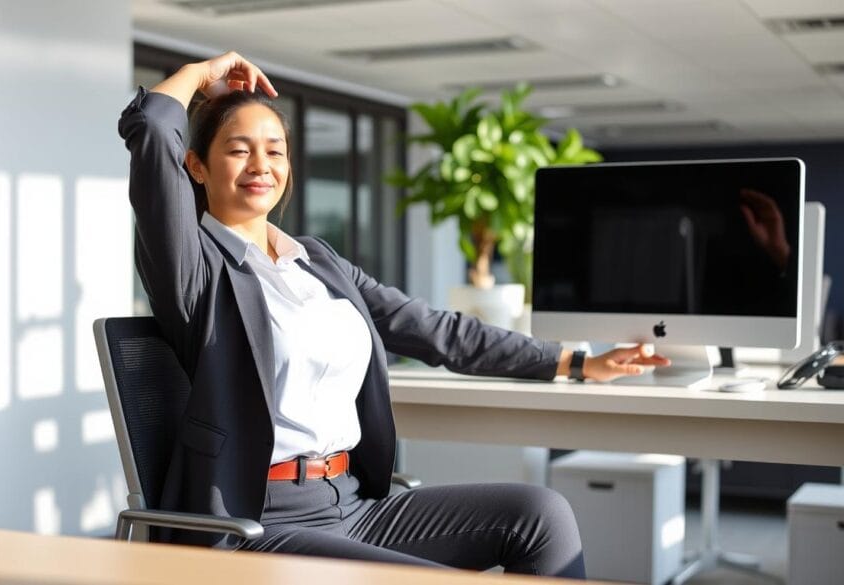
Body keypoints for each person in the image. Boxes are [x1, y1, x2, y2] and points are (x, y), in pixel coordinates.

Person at [118, 51, 670, 579]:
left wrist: (574, 362)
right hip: (258, 522)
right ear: (196, 165)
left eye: (276, 150)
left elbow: (433, 329)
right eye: (239, 150)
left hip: (354, 502)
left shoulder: (317, 263)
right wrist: (198, 73)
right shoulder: (194, 270)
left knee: (540, 516)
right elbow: (151, 132)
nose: (261, 165)